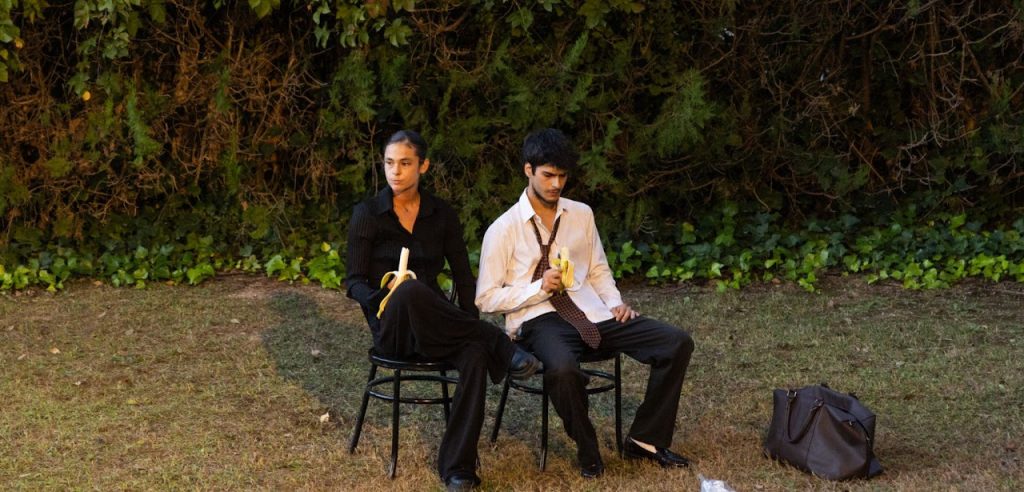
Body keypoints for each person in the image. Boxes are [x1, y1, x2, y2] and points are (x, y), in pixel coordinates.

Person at [475, 128, 695, 478]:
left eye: (562, 176)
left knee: (676, 342)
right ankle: (587, 448)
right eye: (548, 175)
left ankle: (645, 440)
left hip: (592, 312)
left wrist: (614, 302)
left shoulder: (581, 214)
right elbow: (485, 298)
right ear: (528, 170)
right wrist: (538, 288)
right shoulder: (503, 229)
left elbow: (597, 269)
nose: (556, 184)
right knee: (563, 370)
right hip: (538, 320)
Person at [345, 130, 540, 492]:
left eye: (405, 163)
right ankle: (500, 344)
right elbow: (353, 282)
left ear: (423, 166)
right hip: (393, 329)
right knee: (409, 289)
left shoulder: (441, 214)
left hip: (439, 328)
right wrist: (382, 294)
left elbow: (463, 277)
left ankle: (458, 469)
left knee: (475, 354)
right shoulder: (367, 214)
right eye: (389, 163)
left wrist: (468, 323)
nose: (395, 171)